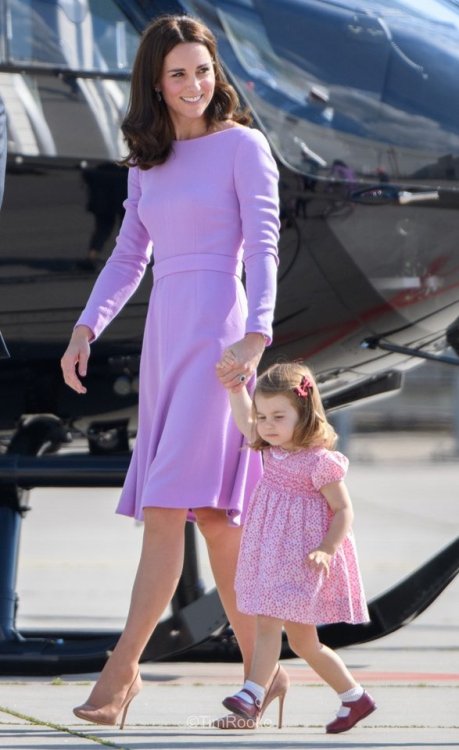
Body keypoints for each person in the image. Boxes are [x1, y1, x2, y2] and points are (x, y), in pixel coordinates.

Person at [60, 13, 280, 730]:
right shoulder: (147, 163)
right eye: (177, 74)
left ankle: (120, 674)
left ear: (218, 74)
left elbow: (264, 247)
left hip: (219, 336)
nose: (193, 85)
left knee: (167, 511)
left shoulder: (242, 146)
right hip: (165, 338)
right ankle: (261, 677)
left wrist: (255, 337)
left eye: (203, 70)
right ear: (155, 84)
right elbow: (129, 257)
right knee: (213, 518)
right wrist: (87, 325)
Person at [216, 361, 376, 734]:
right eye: (263, 415)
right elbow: (243, 421)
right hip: (272, 554)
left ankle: (252, 693)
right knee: (305, 643)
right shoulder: (270, 449)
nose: (267, 425)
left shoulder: (320, 462)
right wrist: (235, 389)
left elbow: (343, 510)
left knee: (268, 620)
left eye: (278, 416)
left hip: (302, 557)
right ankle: (355, 698)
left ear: (303, 414)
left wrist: (327, 548)